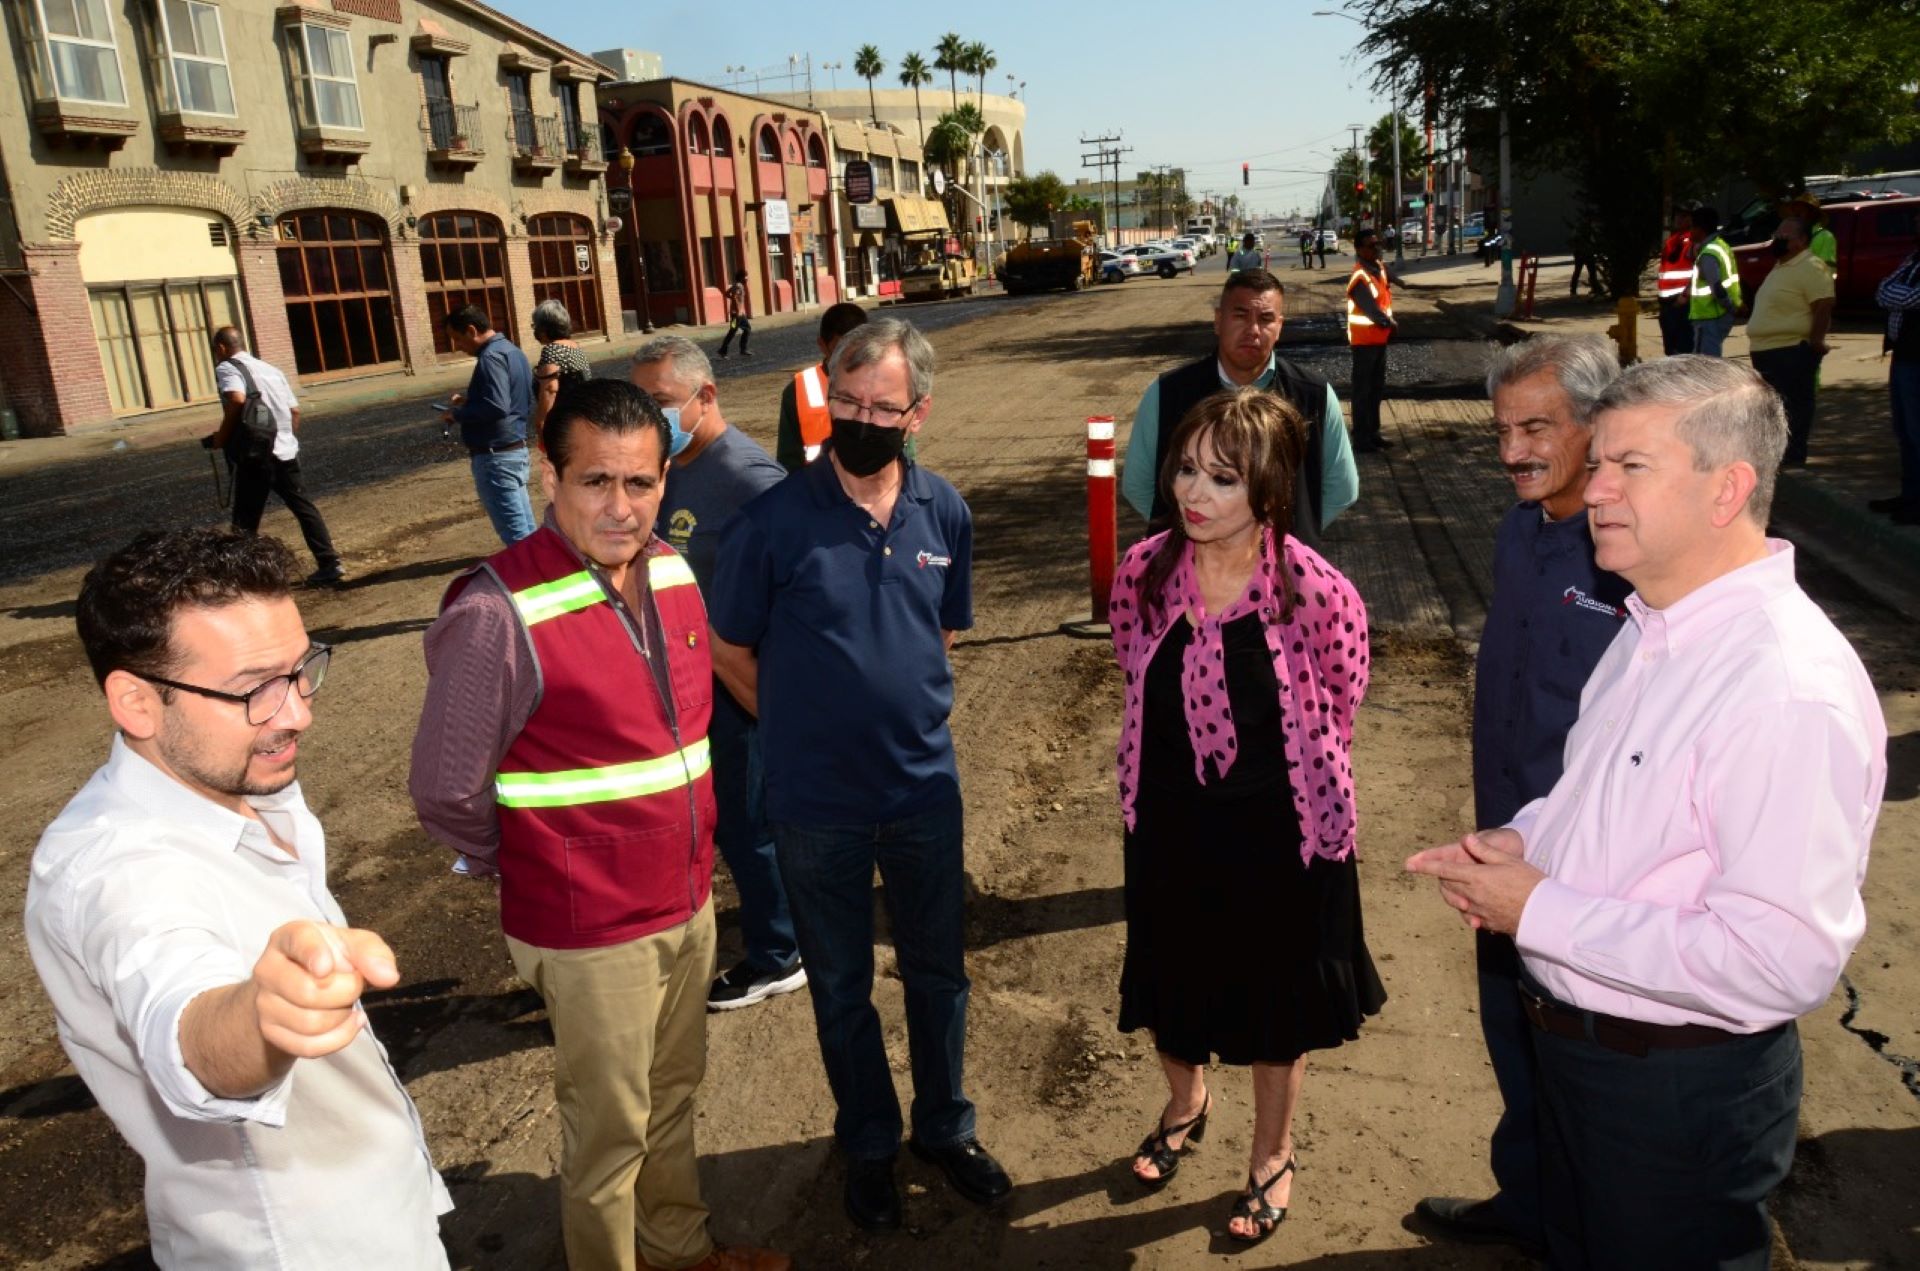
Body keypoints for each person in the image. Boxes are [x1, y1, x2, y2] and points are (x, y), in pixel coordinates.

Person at [1407, 355, 1886, 1270]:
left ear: (1727, 489)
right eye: (1604, 462)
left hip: (1672, 1094)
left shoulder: (1782, 688)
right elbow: (1604, 799)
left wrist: (1537, 910)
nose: (1599, 489)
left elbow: (1778, 959)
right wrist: (1524, 838)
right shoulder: (1652, 628)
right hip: (1596, 1066)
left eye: (1632, 466)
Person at [409, 380, 789, 1271]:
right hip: (587, 928)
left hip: (685, 901)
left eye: (640, 484)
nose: (620, 508)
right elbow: (445, 789)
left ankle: (680, 1249)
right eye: (595, 483)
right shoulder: (496, 611)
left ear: (667, 481)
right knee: (608, 1135)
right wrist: (541, 860)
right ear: (550, 474)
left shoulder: (669, 568)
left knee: (670, 1098)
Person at [26, 526, 452, 1267]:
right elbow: (180, 1017)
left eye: (300, 670)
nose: (296, 712)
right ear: (135, 700)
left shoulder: (235, 779)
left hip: (379, 1210)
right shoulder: (112, 868)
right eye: (254, 687)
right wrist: (261, 1018)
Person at [708, 319, 1011, 1232]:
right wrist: (804, 726)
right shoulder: (770, 521)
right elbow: (728, 648)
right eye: (846, 402)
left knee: (937, 974)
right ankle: (870, 1140)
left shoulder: (945, 510)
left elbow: (941, 632)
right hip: (815, 806)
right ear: (824, 399)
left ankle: (944, 1128)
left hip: (923, 792)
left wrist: (893, 709)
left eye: (883, 407)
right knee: (840, 985)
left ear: (918, 412)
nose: (861, 419)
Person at [1108, 387, 1381, 1246]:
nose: (1194, 492)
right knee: (1171, 979)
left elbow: (1341, 701)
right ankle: (1186, 1097)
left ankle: (1272, 1152)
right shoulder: (1144, 573)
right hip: (1170, 826)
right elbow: (1131, 666)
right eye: (1186, 469)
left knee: (1276, 1005)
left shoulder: (1317, 594)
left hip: (1279, 835)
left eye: (1222, 478)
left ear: (1267, 489)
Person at [1413, 336, 1627, 1258]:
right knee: (1513, 1038)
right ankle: (1529, 1202)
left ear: (1596, 426)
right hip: (1502, 845)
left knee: (1590, 1075)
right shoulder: (1514, 531)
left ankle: (1584, 1229)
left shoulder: (1629, 552)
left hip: (1590, 875)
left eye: (1536, 427)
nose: (1512, 452)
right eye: (1502, 431)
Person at [629, 336, 806, 1012]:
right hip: (680, 685)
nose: (649, 417)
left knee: (747, 823)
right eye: (639, 401)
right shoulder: (667, 465)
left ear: (707, 397)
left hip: (735, 690)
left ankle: (779, 952)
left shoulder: (749, 480)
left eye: (660, 402)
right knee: (705, 820)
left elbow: (794, 593)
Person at [1121, 269, 1359, 547]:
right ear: (1218, 321)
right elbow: (1138, 486)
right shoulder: (1168, 393)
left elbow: (1342, 489)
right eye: (1240, 315)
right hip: (1188, 572)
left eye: (1266, 318)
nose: (1253, 330)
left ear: (1280, 327)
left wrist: (1288, 542)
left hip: (1280, 576)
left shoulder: (1313, 395)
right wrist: (1200, 536)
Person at [202, 327, 345, 586]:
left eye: (216, 350)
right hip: (285, 452)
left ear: (221, 348)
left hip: (257, 455)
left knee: (245, 518)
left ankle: (242, 577)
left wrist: (221, 438)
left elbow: (236, 399)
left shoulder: (227, 368)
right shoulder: (272, 370)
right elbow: (295, 411)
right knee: (304, 508)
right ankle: (329, 563)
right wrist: (285, 438)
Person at [439, 304, 536, 544]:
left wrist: (457, 414)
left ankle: (533, 577)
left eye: (457, 339)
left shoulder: (490, 358)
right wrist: (471, 400)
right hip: (514, 449)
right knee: (527, 531)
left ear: (471, 330)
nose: (458, 347)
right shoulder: (511, 351)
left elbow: (497, 406)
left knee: (516, 536)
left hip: (496, 457)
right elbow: (512, 398)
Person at [1747, 215, 1835, 468]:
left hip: (1791, 349)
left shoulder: (1810, 266)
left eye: (1784, 237)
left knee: (1791, 406)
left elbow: (1823, 304)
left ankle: (1792, 458)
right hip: (1768, 350)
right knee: (1773, 407)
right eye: (1776, 235)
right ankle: (1777, 455)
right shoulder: (1783, 265)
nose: (1778, 240)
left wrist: (1817, 341)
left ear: (1801, 241)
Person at [776, 301, 868, 470]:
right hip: (815, 490)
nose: (850, 358)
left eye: (858, 349)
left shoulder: (886, 383)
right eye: (839, 349)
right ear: (822, 346)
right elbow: (788, 462)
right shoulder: (797, 391)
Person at [1873, 238, 1920, 524]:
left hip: (1917, 358)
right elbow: (1883, 290)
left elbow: (1908, 298)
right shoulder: (1913, 258)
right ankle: (1910, 494)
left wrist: (1897, 294)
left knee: (1917, 431)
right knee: (1904, 431)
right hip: (1903, 354)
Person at [1346, 228, 1397, 454]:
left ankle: (1373, 433)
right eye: (1370, 245)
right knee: (1363, 391)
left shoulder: (1379, 269)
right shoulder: (1359, 277)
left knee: (1376, 389)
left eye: (1378, 244)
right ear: (1359, 250)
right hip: (1364, 342)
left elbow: (1395, 280)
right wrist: (1388, 322)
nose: (1376, 248)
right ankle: (1361, 438)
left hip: (1379, 340)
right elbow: (1370, 309)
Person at [531, 298, 593, 442]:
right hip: (581, 418)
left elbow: (550, 389)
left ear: (544, 328)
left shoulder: (552, 350)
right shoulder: (574, 346)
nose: (534, 331)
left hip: (563, 423)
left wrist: (540, 423)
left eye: (535, 326)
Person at [1688, 206, 1742, 357]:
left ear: (1700, 229)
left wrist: (1730, 307)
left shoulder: (1708, 253)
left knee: (1704, 365)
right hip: (1719, 315)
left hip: (1709, 316)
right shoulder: (1720, 245)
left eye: (1692, 227)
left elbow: (1717, 287)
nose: (1690, 231)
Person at [1655, 209, 1698, 356]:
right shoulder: (1673, 240)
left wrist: (1686, 295)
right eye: (1678, 215)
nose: (1679, 219)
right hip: (1667, 302)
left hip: (1682, 301)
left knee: (1683, 350)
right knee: (1671, 350)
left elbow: (1700, 270)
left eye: (1685, 216)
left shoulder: (1694, 241)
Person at [1783, 194, 1838, 278]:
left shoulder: (1825, 236)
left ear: (1812, 214)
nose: (1796, 216)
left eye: (1800, 212)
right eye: (1795, 213)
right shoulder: (1792, 236)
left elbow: (1827, 271)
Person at [716, 270, 752, 358]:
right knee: (733, 331)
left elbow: (727, 293)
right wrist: (738, 309)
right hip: (737, 315)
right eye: (745, 276)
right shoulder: (739, 286)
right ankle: (724, 350)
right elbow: (734, 296)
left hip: (739, 314)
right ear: (741, 277)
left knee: (746, 329)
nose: (747, 278)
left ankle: (742, 349)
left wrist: (732, 299)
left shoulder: (735, 285)